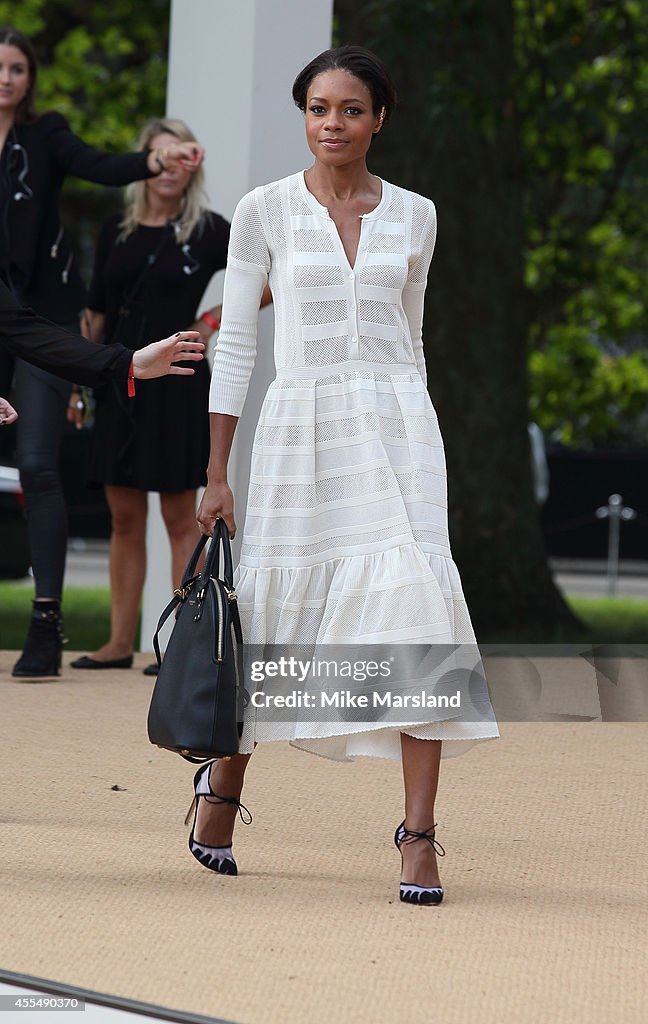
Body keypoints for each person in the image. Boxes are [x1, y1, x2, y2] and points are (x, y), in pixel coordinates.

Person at [191, 46, 499, 906]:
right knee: (272, 610)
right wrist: (217, 470)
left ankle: (420, 834)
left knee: (420, 609)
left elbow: (416, 337)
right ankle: (222, 790)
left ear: (379, 118)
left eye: (351, 110)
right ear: (305, 116)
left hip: (399, 428)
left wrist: (421, 443)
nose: (334, 124)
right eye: (320, 108)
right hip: (301, 430)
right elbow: (239, 347)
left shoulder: (417, 215)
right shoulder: (263, 211)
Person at [0, 26, 204, 677]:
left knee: (39, 463)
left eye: (16, 68)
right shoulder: (119, 236)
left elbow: (98, 164)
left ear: (30, 79)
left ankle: (46, 620)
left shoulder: (45, 136)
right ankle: (97, 634)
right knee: (105, 503)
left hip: (38, 322)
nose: (5, 78)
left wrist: (154, 160)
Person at [69, 118, 270, 674]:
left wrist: (210, 321)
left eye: (180, 159)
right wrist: (82, 381)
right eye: (159, 158)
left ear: (193, 167)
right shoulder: (118, 229)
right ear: (144, 164)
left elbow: (270, 272)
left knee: (182, 518)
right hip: (121, 376)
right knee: (123, 518)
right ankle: (117, 643)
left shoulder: (206, 230)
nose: (169, 170)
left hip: (178, 384)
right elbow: (97, 309)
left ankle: (183, 645)